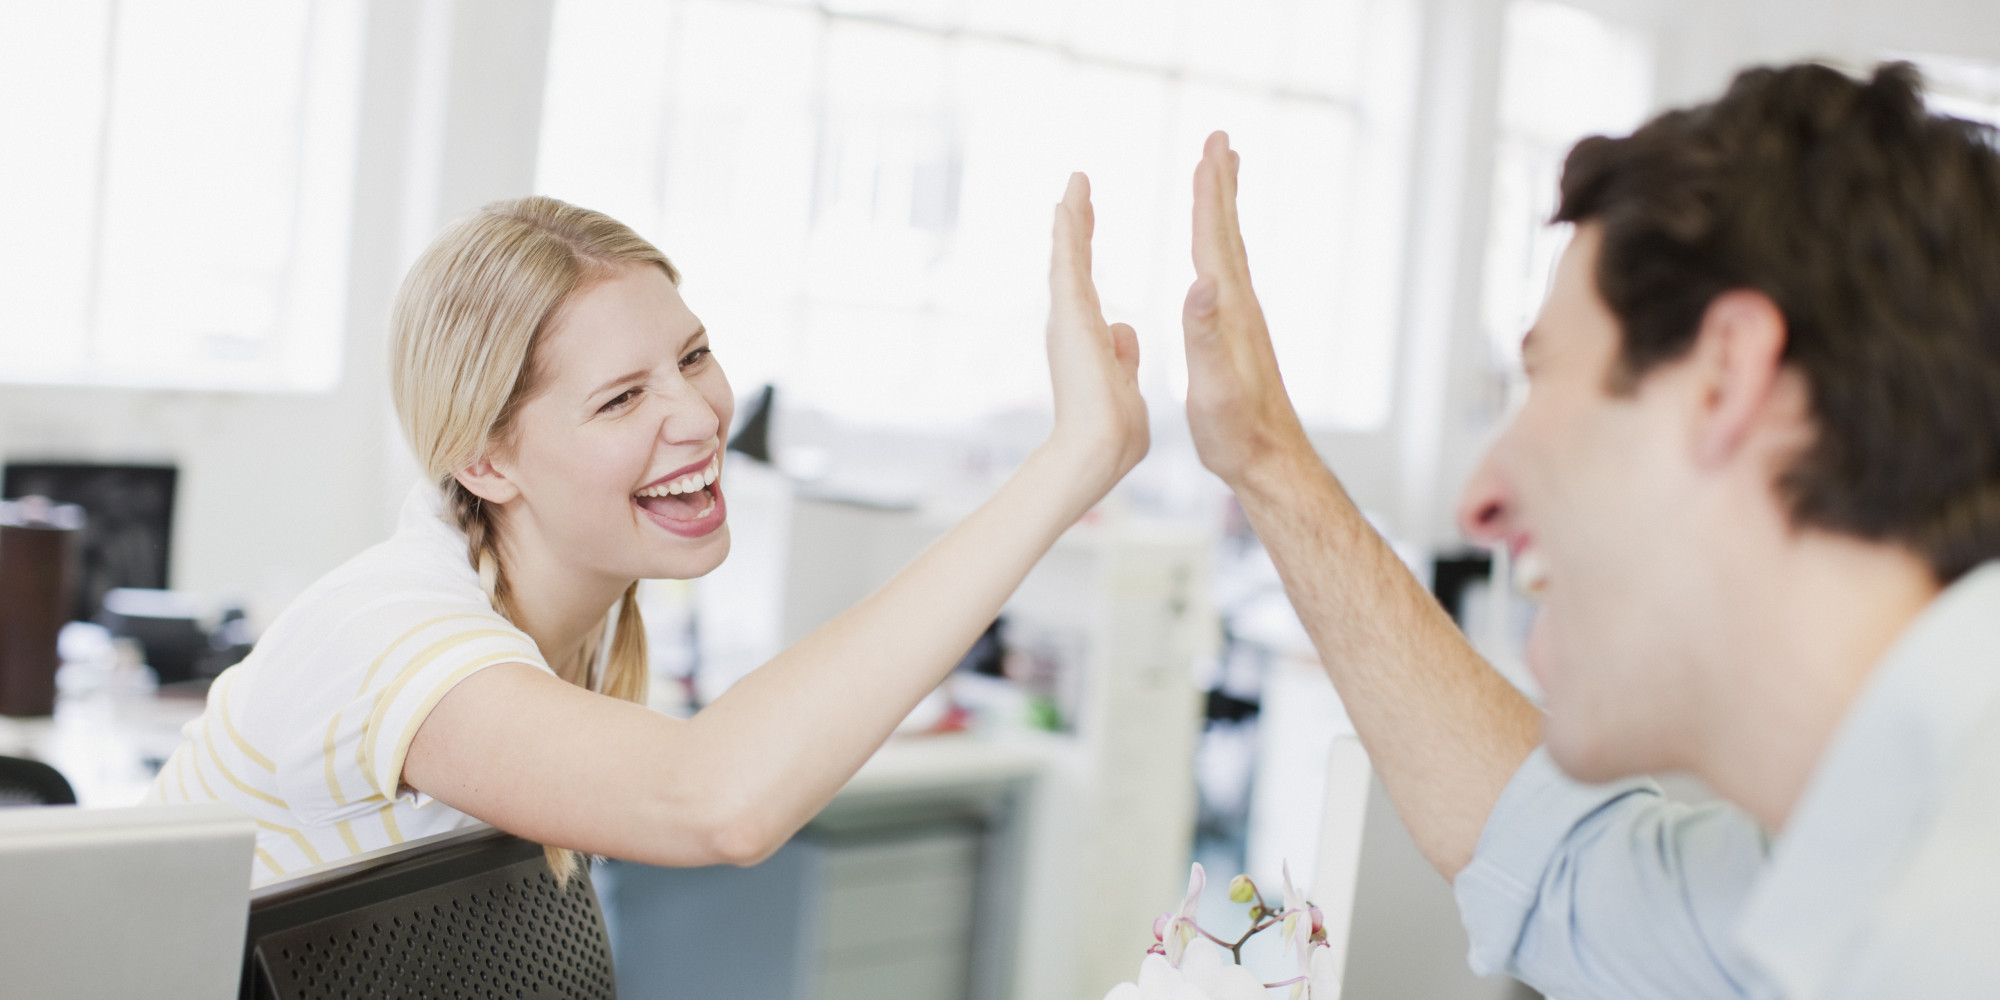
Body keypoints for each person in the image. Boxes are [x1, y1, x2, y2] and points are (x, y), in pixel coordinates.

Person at [1180, 62, 2000, 998]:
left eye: (1547, 377)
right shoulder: (1865, 849)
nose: (1479, 502)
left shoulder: (1962, 917)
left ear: (1725, 377)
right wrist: (1266, 459)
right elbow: (1563, 873)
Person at [147, 176, 1148, 885]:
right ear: (487, 461)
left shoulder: (561, 633)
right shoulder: (390, 630)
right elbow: (715, 799)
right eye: (622, 397)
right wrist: (1062, 468)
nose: (699, 413)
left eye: (693, 355)